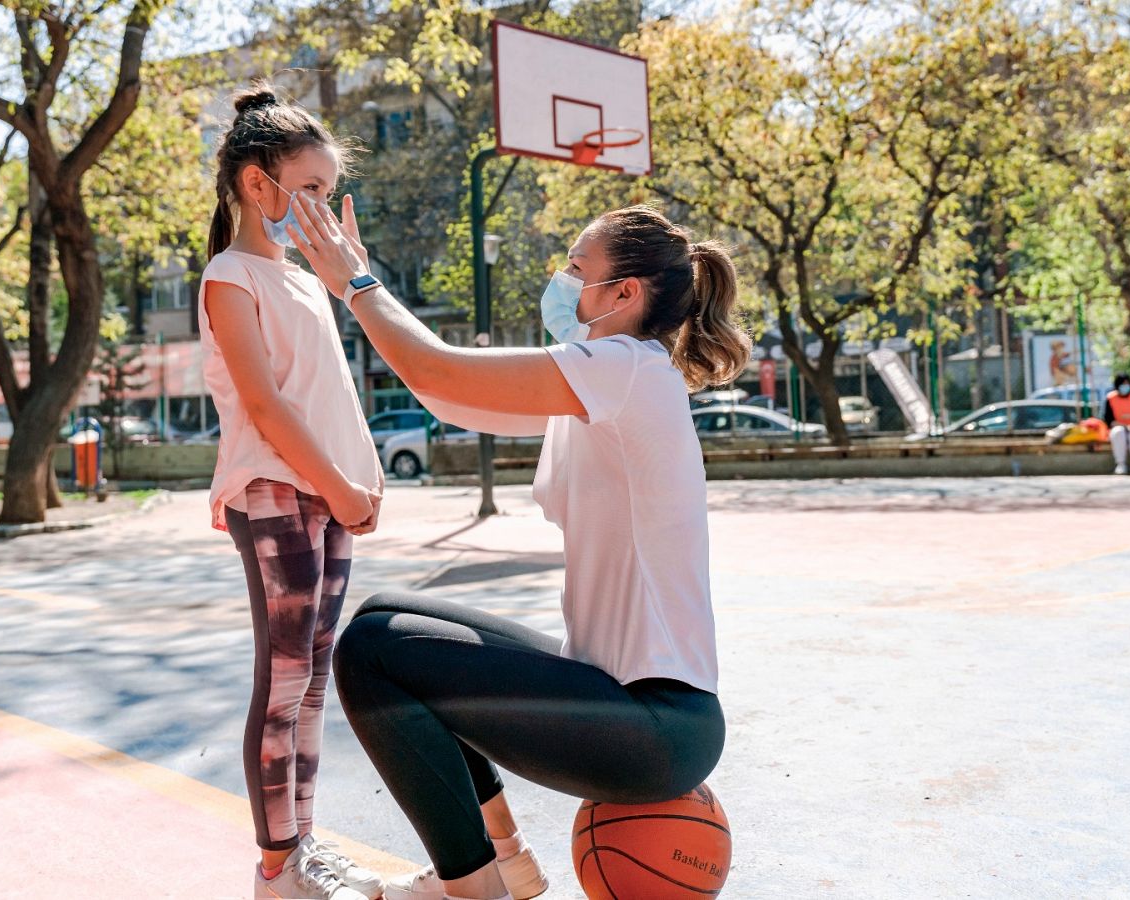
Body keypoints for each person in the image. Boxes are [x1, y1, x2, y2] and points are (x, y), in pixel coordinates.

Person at [285, 200, 748, 900]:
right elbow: (446, 395)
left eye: (575, 269)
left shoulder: (626, 369)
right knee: (387, 618)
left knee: (373, 654)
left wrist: (358, 284)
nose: (560, 282)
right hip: (624, 705)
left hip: (654, 726)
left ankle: (473, 890)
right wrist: (360, 289)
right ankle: (505, 859)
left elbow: (437, 371)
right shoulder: (604, 381)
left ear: (624, 293)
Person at [198, 83, 386, 900]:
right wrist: (336, 483)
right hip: (277, 489)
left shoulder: (308, 284)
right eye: (306, 188)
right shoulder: (228, 276)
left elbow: (329, 390)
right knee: (282, 679)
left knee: (313, 677)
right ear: (255, 183)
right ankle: (277, 864)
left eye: (325, 191)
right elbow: (267, 405)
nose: (316, 205)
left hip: (328, 491)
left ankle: (300, 849)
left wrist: (360, 477)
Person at [1100, 373, 1130, 475]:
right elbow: (1108, 421)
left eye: (1127, 384)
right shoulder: (1110, 398)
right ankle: (1120, 464)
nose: (1125, 386)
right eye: (1123, 384)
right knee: (1119, 433)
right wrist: (1123, 425)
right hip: (1118, 428)